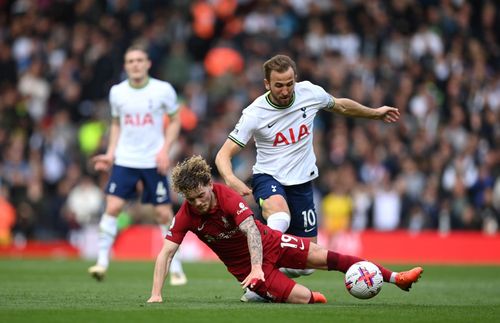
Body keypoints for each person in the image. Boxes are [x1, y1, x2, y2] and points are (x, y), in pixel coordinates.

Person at [215, 54, 400, 279]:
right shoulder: (255, 113)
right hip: (268, 177)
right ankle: (258, 274)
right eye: (279, 85)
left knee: (305, 266)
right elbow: (223, 154)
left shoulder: (310, 93)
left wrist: (375, 113)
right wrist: (231, 178)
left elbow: (341, 106)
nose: (285, 91)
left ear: (296, 79)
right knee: (279, 215)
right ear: (267, 84)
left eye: (289, 84)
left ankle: (271, 271)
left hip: (301, 183)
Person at [147, 155, 422, 304]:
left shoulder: (227, 197)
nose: (199, 201)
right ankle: (262, 293)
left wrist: (258, 266)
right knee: (309, 299)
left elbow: (253, 232)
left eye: (201, 194)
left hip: (269, 242)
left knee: (329, 257)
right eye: (191, 198)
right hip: (247, 269)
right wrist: (156, 294)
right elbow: (166, 254)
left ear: (209, 183)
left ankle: (396, 277)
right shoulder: (187, 214)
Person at [88, 45, 187, 286]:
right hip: (125, 159)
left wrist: (165, 151)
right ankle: (101, 262)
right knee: (112, 206)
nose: (135, 64)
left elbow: (175, 121)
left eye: (139, 60)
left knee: (163, 213)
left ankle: (176, 268)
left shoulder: (163, 90)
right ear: (125, 66)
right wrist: (110, 154)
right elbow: (116, 124)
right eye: (130, 61)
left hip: (153, 160)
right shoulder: (117, 93)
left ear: (148, 63)